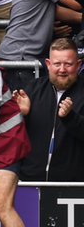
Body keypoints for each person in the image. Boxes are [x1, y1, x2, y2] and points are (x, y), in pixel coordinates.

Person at [18, 38, 84, 185]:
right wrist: (21, 115)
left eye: (68, 64)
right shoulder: (32, 89)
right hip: (30, 181)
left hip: (73, 185)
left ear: (78, 65)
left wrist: (70, 118)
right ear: (48, 64)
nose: (62, 69)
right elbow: (12, 136)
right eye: (57, 64)